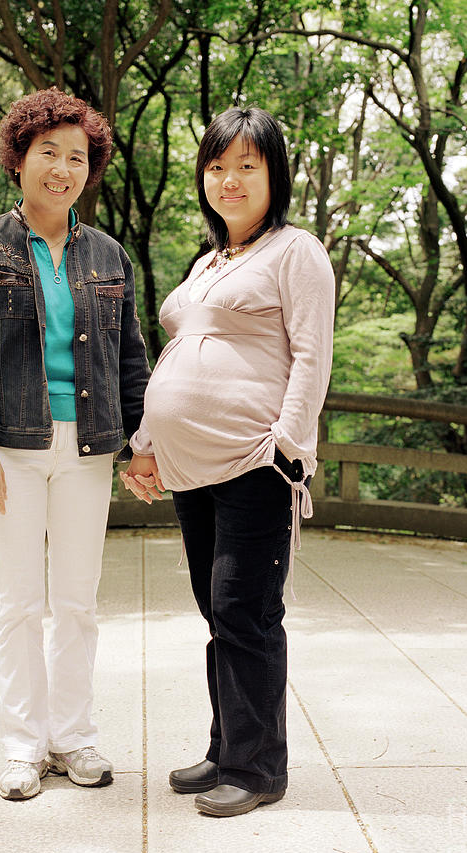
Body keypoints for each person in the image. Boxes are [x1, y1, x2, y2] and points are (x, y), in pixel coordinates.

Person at [121, 106, 335, 817]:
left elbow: (311, 355)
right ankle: (225, 748)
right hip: (190, 467)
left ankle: (258, 768)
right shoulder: (209, 260)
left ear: (273, 173)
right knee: (217, 611)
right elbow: (179, 358)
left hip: (253, 461)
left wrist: (286, 443)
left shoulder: (294, 250)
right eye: (217, 166)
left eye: (247, 165)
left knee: (245, 611)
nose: (230, 180)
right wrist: (147, 444)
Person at [0, 87, 151, 801]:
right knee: (19, 601)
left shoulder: (108, 253)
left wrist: (141, 441)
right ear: (19, 159)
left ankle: (75, 738)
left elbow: (130, 356)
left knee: (78, 601)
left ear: (89, 170)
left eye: (77, 157)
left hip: (88, 448)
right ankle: (23, 747)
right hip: (13, 448)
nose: (61, 169)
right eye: (47, 154)